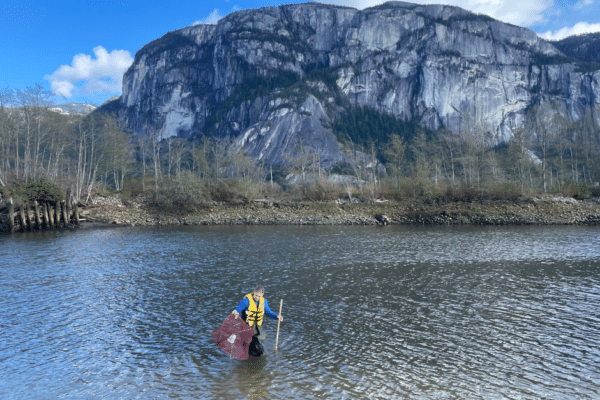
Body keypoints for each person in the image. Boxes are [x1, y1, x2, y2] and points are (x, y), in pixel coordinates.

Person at [231, 286, 283, 356]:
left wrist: (277, 317)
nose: (257, 297)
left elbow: (268, 312)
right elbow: (239, 308)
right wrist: (235, 311)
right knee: (249, 342)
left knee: (256, 341)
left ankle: (252, 355)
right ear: (253, 293)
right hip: (247, 325)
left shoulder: (264, 301)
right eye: (256, 295)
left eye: (259, 296)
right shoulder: (246, 301)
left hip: (257, 325)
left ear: (262, 295)